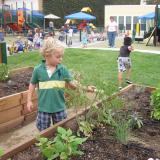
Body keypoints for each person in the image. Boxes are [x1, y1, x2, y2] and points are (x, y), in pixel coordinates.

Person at [27, 37, 95, 131]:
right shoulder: (38, 70)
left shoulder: (62, 69)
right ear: (47, 55)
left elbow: (73, 84)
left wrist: (86, 88)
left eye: (62, 56)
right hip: (43, 108)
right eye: (58, 57)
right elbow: (32, 84)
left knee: (62, 130)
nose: (61, 59)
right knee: (43, 132)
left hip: (59, 107)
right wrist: (29, 100)